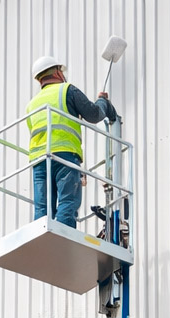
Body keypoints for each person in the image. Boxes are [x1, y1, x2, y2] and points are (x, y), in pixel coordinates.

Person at [26, 56, 117, 228]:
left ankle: (44, 238)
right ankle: (62, 236)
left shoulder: (32, 104)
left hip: (39, 160)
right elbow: (93, 114)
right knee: (67, 201)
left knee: (42, 207)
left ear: (39, 79)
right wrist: (103, 102)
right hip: (65, 154)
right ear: (57, 72)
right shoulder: (66, 90)